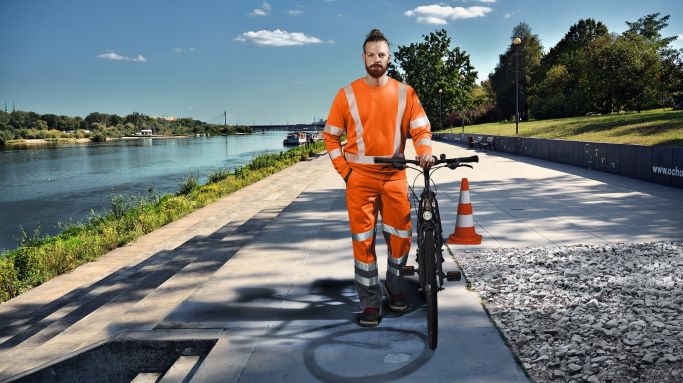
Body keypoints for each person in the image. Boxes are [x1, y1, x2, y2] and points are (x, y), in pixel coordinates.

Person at [323, 29, 434, 327]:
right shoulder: (346, 95)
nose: (376, 60)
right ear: (363, 57)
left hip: (395, 176)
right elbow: (330, 138)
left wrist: (424, 150)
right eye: (371, 55)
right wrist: (345, 172)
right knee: (363, 241)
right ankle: (370, 304)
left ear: (389, 58)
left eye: (381, 55)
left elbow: (421, 128)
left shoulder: (405, 93)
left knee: (401, 236)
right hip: (359, 178)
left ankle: (394, 288)